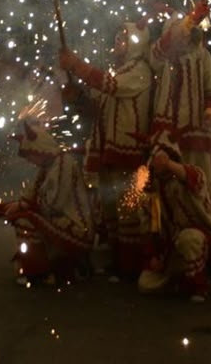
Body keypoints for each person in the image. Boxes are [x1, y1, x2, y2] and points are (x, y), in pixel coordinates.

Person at [59, 20, 154, 277]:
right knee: (111, 212)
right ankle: (117, 261)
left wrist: (75, 64)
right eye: (118, 35)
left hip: (128, 150)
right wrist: (76, 96)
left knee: (128, 213)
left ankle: (131, 267)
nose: (118, 41)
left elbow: (108, 85)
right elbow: (95, 106)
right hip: (108, 150)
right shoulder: (121, 69)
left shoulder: (140, 70)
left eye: (125, 37)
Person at [0, 118, 96, 286]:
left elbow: (52, 205)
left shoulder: (63, 164)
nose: (29, 160)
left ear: (39, 149)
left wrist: (22, 209)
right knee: (25, 215)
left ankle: (39, 274)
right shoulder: (50, 165)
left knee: (25, 220)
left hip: (78, 229)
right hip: (62, 222)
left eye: (29, 155)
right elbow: (31, 197)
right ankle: (62, 264)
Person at [129, 130, 211, 303]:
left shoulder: (190, 174)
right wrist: (154, 256)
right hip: (171, 248)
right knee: (145, 284)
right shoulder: (152, 191)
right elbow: (152, 228)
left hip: (200, 238)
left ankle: (199, 286)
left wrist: (168, 164)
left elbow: (191, 177)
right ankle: (179, 279)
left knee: (189, 239)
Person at [150, 0, 211, 198]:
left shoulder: (202, 56)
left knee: (199, 184)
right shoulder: (163, 56)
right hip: (169, 131)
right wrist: (192, 18)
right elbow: (164, 46)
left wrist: (210, 108)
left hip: (197, 130)